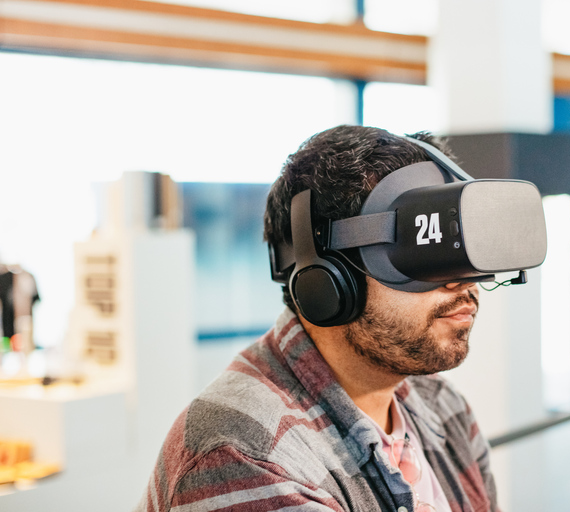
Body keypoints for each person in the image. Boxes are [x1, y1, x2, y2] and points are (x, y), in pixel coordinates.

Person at [136, 126, 499, 511]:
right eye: (420, 253)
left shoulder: (441, 405)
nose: (463, 282)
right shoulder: (246, 452)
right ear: (324, 281)